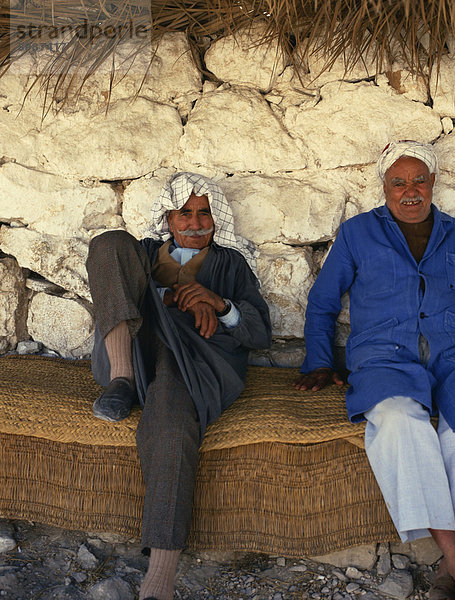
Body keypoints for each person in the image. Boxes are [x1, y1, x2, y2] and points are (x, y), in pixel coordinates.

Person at [294, 142, 455, 600]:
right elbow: (322, 303)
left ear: (433, 184)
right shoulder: (357, 234)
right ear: (385, 187)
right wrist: (318, 360)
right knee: (398, 421)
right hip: (383, 356)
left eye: (419, 181)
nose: (410, 191)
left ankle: (445, 573)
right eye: (399, 182)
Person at [86, 172, 272, 600]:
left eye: (203, 212)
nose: (195, 222)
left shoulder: (231, 264)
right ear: (168, 218)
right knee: (110, 242)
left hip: (193, 359)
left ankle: (160, 581)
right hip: (135, 350)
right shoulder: (145, 254)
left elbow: (259, 332)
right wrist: (170, 296)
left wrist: (217, 303)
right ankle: (121, 380)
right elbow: (115, 274)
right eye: (184, 213)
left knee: (171, 423)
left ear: (215, 217)